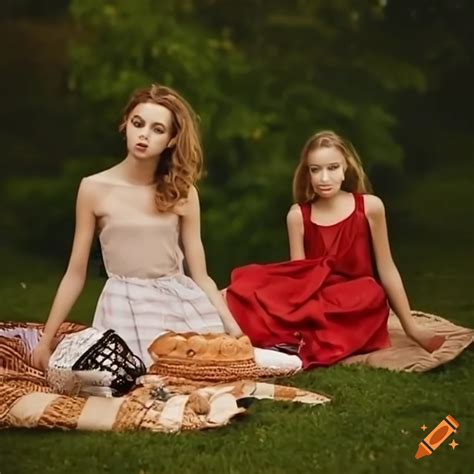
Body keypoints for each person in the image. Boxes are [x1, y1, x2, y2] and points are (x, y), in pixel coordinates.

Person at [31, 84, 244, 369]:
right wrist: (45, 341)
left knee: (204, 370)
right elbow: (75, 274)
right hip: (123, 304)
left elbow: (201, 275)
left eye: (158, 129)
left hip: (177, 299)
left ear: (171, 140)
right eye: (138, 123)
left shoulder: (182, 192)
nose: (144, 134)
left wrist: (232, 328)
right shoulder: (93, 188)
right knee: (132, 376)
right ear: (125, 125)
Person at [225, 130, 445, 369]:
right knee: (255, 289)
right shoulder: (298, 215)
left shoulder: (370, 207)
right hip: (316, 296)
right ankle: (274, 334)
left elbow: (386, 267)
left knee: (371, 291)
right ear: (307, 173)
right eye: (315, 169)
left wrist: (410, 326)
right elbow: (298, 279)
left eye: (332, 168)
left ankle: (299, 341)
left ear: (345, 169)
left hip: (357, 301)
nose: (324, 178)